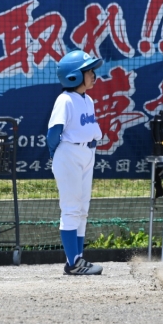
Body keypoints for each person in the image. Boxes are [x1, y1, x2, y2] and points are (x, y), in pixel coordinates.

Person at [47, 50, 104, 276]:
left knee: (82, 209)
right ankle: (73, 263)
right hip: (69, 152)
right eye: (88, 71)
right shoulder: (65, 99)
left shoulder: (87, 100)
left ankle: (78, 258)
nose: (93, 75)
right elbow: (54, 132)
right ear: (74, 76)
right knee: (71, 209)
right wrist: (57, 155)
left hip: (86, 153)